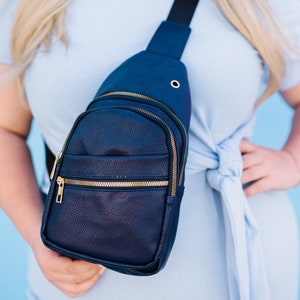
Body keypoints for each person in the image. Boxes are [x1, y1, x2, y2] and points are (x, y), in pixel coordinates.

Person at [0, 0, 300, 299]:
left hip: (244, 267)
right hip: (78, 275)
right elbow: (5, 129)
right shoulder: (27, 6)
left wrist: (293, 160)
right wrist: (37, 237)